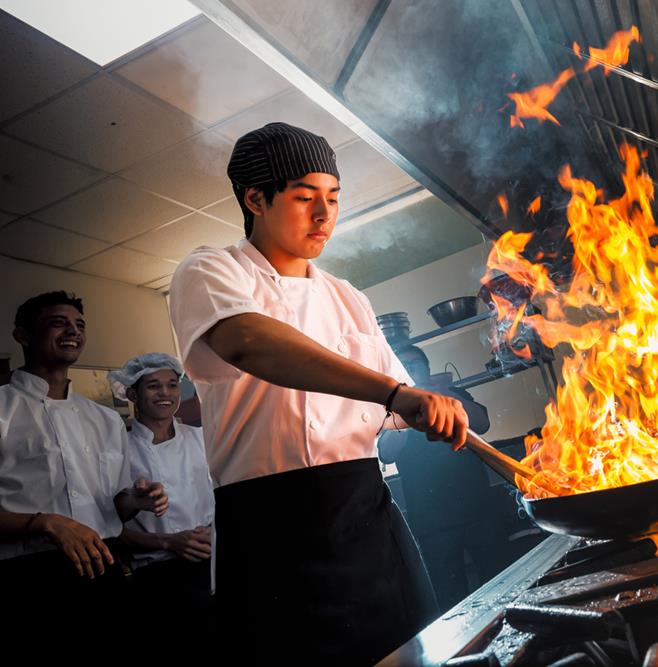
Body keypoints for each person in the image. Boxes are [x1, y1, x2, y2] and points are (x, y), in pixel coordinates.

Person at [168, 122, 470, 662]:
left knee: (412, 655)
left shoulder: (348, 296)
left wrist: (429, 411)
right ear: (254, 198)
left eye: (333, 198)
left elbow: (392, 411)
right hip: (268, 526)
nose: (324, 215)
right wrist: (397, 394)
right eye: (305, 197)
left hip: (364, 511)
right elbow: (250, 342)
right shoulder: (211, 269)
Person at [0, 291, 169, 644]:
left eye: (79, 325)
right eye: (57, 323)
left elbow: (114, 508)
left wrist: (135, 502)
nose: (72, 331)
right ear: (23, 335)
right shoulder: (2, 409)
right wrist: (44, 522)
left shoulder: (105, 420)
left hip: (103, 569)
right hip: (25, 577)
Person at [379, 346, 509, 611]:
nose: (412, 370)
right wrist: (407, 406)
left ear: (426, 368)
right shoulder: (393, 408)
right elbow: (387, 453)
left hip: (477, 506)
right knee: (449, 595)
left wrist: (440, 393)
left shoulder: (452, 395)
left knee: (500, 580)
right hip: (431, 519)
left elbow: (482, 423)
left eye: (415, 365)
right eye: (405, 366)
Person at [110, 353, 215, 632]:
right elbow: (108, 528)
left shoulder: (201, 439)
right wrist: (168, 542)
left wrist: (213, 532)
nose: (165, 393)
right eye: (154, 385)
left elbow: (223, 498)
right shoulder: (119, 451)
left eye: (172, 384)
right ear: (132, 393)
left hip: (211, 563)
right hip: (156, 577)